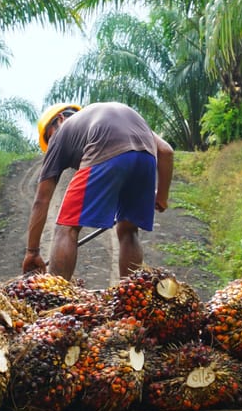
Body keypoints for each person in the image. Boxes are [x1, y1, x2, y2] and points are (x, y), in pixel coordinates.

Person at [22, 101, 174, 280]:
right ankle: (130, 299)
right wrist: (162, 197)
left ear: (60, 119)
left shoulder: (61, 132)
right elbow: (165, 151)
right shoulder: (106, 115)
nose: (51, 144)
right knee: (128, 229)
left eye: (49, 136)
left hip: (105, 147)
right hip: (146, 156)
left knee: (66, 227)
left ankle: (57, 297)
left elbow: (42, 199)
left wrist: (32, 252)